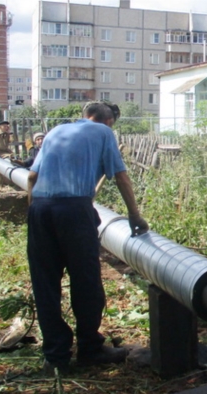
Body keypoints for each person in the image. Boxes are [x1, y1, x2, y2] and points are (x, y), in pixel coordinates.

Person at [26, 102, 149, 374]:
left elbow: (33, 176)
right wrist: (134, 217)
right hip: (74, 210)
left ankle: (56, 357)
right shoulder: (103, 133)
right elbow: (121, 177)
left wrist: (34, 213)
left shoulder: (57, 131)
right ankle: (90, 350)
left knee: (45, 284)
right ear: (107, 121)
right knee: (86, 281)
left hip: (40, 210)